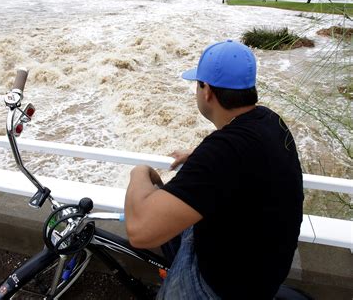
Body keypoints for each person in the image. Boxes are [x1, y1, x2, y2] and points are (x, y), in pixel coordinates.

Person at [124, 40, 304, 299]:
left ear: (206, 90)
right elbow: (238, 156)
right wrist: (197, 154)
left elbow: (140, 232)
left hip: (220, 287)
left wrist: (140, 171)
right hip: (263, 271)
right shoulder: (270, 120)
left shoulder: (224, 152)